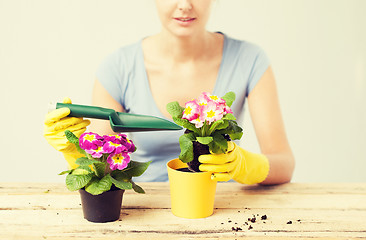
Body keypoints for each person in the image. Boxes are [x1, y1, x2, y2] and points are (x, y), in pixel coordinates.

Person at [44, 0, 295, 185]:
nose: (185, 5)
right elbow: (102, 164)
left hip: (223, 207)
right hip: (146, 210)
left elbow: (284, 164)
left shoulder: (249, 60)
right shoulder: (118, 68)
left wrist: (245, 165)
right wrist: (74, 152)